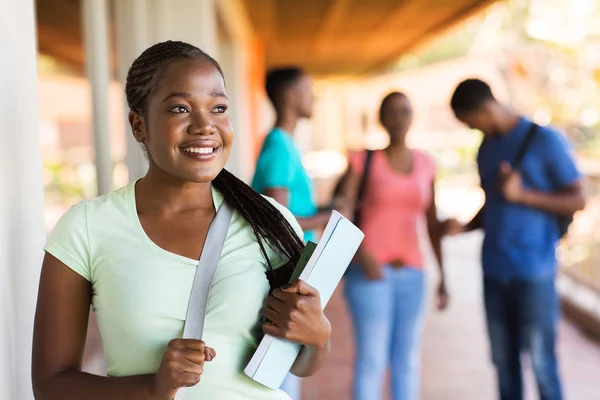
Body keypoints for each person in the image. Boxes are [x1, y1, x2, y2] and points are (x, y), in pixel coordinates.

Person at [32, 41, 332, 400]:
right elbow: (51, 384)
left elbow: (296, 362)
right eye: (180, 108)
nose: (205, 126)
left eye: (219, 108)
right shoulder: (87, 227)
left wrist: (318, 338)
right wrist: (152, 388)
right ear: (138, 125)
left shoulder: (268, 220)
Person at [448, 78, 586, 400]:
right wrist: (463, 227)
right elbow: (493, 204)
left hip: (533, 271)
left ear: (485, 108)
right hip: (494, 270)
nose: (472, 130)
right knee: (503, 363)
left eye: (471, 123)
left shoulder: (545, 140)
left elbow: (578, 199)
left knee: (542, 363)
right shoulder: (486, 148)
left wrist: (523, 196)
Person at [336, 92, 450, 400]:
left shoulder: (427, 163)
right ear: (382, 118)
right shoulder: (363, 160)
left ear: (412, 117)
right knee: (372, 360)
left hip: (413, 272)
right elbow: (341, 212)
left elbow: (432, 223)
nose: (399, 118)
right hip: (369, 273)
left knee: (407, 362)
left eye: (405, 111)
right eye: (392, 112)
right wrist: (363, 255)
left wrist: (443, 276)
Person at [251, 67, 332, 399]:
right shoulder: (279, 146)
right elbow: (278, 220)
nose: (313, 97)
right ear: (288, 96)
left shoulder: (285, 144)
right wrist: (330, 217)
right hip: (284, 277)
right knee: (281, 382)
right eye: (307, 89)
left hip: (291, 276)